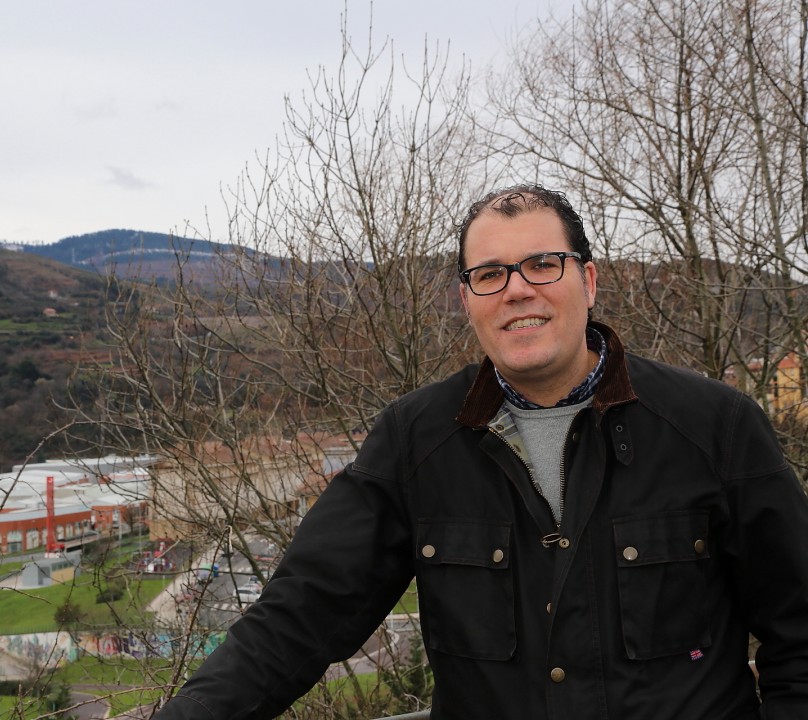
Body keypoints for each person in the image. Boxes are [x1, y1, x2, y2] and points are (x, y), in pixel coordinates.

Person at [154, 185, 808, 719]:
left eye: (542, 264)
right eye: (490, 274)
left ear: (589, 280)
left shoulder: (714, 427)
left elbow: (799, 632)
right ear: (467, 299)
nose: (518, 289)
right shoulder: (416, 442)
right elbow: (301, 614)